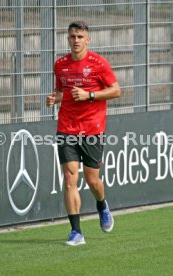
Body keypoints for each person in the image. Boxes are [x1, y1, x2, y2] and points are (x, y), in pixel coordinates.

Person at [46, 20, 121, 246]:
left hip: (91, 129)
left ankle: (101, 205)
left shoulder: (99, 63)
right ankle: (76, 232)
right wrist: (55, 98)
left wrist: (89, 95)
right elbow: (64, 91)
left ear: (88, 39)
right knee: (69, 178)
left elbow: (116, 91)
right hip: (66, 127)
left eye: (80, 37)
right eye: (72, 37)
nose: (75, 41)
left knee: (92, 180)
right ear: (67, 39)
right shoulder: (60, 64)